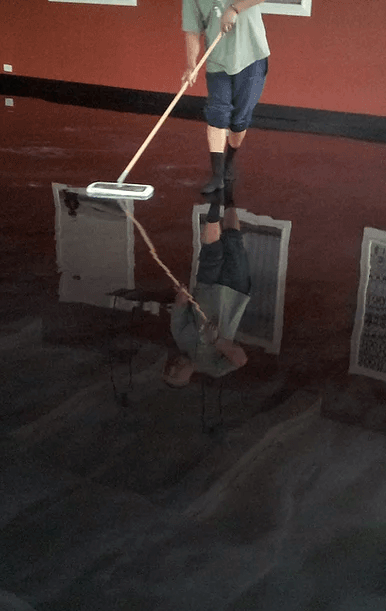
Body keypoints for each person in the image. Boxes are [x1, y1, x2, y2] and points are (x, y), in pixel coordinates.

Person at [164, 185, 251, 387]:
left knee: (211, 250)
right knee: (233, 241)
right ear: (187, 380)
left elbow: (180, 308)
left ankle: (214, 200)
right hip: (234, 292)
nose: (174, 367)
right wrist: (217, 342)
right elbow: (241, 359)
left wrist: (182, 295)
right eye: (175, 374)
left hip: (206, 286)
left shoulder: (179, 337)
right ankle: (228, 195)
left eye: (169, 369)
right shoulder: (213, 369)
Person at [182, 0, 269, 194]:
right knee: (217, 113)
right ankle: (217, 175)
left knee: (239, 120)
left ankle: (229, 160)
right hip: (218, 61)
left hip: (251, 57)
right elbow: (192, 30)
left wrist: (234, 8)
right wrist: (191, 65)